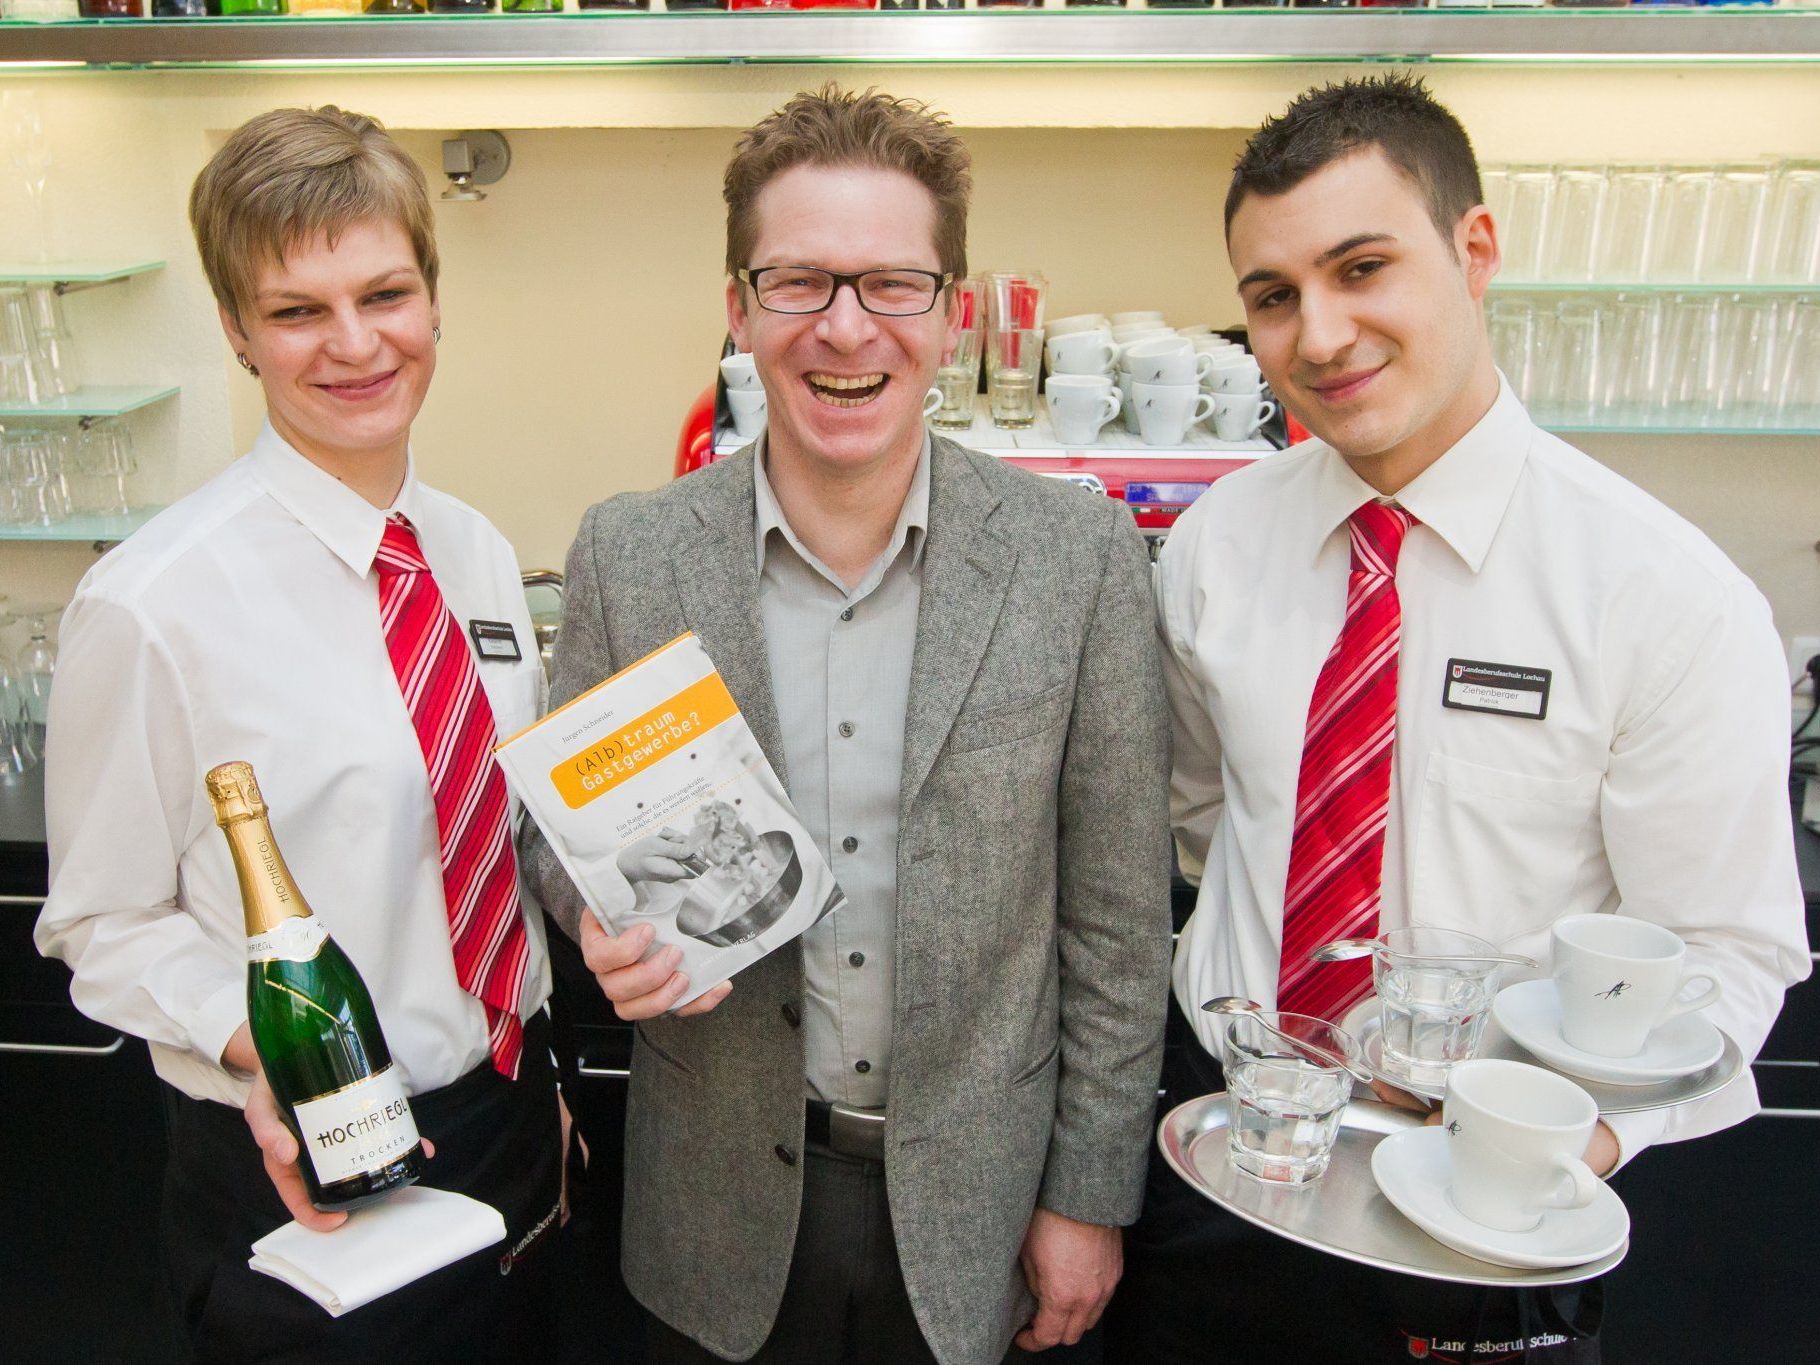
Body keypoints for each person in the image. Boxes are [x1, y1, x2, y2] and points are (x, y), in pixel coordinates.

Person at [1106, 74, 1811, 1364]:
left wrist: (1545, 1150)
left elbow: (1724, 949)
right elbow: (1204, 820)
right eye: (1272, 297)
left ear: (1474, 249)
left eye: (1360, 267)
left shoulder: (1663, 596)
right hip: (1221, 1164)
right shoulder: (1213, 547)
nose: (1318, 334)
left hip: (1479, 1215)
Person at [520, 85, 1172, 1365]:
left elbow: (1114, 916)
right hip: (712, 1217)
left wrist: (1088, 1198)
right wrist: (594, 915)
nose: (844, 328)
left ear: (949, 309)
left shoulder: (1075, 556)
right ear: (738, 310)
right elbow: (561, 838)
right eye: (800, 283)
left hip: (981, 1215)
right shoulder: (630, 552)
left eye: (890, 285)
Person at [35, 106, 561, 1361]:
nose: (355, 344)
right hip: (303, 1166)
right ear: (234, 330)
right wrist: (254, 1049)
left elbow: (493, 839)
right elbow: (98, 927)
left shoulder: (474, 552)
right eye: (296, 310)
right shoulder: (151, 604)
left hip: (514, 1134)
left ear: (434, 300)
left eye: (385, 292)